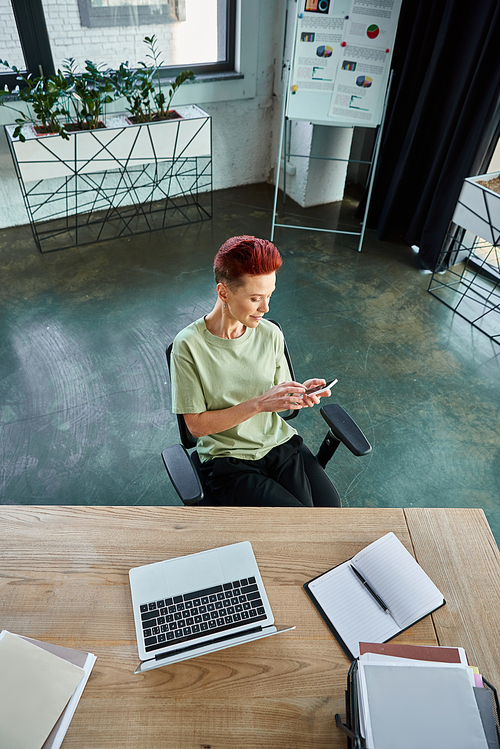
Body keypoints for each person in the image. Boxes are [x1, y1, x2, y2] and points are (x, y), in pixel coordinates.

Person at [170, 235, 341, 507]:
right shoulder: (188, 346)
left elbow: (279, 396)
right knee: (297, 522)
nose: (266, 308)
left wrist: (299, 393)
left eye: (269, 295)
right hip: (227, 460)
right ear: (223, 292)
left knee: (321, 514)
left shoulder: (270, 334)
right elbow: (197, 426)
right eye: (255, 298)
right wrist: (259, 404)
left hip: (279, 445)